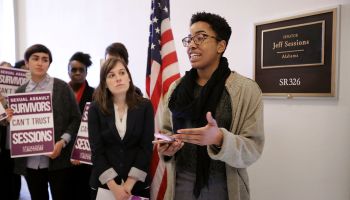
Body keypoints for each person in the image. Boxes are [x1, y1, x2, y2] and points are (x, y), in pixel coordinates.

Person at [157, 12, 265, 200]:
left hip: (223, 185)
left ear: (221, 46)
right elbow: (167, 131)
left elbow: (253, 149)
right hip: (180, 184)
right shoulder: (177, 88)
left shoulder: (247, 90)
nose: (191, 45)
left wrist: (220, 138)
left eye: (200, 37)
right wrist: (167, 147)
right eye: (189, 39)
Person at [9, 44, 81, 200]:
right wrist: (10, 119)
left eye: (45, 59)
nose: (40, 63)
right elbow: (14, 126)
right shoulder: (19, 92)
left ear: (49, 63)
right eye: (35, 59)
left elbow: (76, 119)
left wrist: (62, 142)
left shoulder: (62, 87)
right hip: (30, 163)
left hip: (58, 160)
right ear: (27, 63)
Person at [88, 57, 154, 200]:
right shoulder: (95, 108)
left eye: (122, 73)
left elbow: (146, 148)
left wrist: (128, 184)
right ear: (105, 83)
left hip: (137, 186)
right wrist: (114, 187)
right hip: (105, 186)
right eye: (111, 75)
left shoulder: (145, 106)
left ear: (129, 78)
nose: (118, 78)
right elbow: (96, 151)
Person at [67, 52, 94, 199]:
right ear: (68, 70)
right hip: (63, 155)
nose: (77, 73)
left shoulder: (95, 94)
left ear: (86, 72)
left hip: (86, 156)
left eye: (81, 70)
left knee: (84, 193)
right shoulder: (60, 92)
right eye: (74, 69)